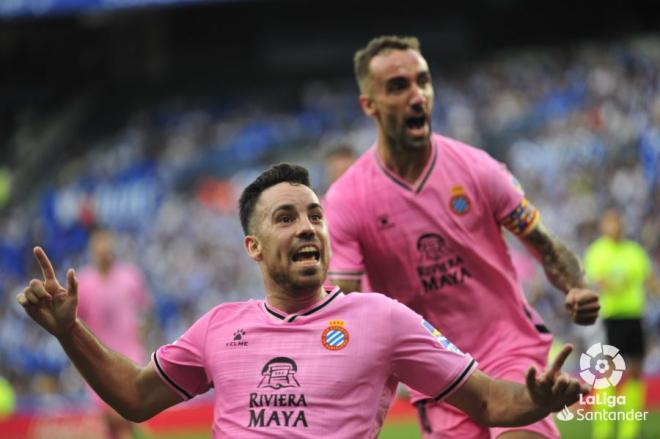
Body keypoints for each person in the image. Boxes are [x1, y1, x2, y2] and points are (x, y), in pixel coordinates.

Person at [17, 164, 590, 438]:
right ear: (254, 247)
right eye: (286, 218)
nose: (309, 227)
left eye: (316, 215)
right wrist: (70, 331)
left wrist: (535, 399)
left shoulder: (382, 318)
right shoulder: (221, 327)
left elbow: (488, 402)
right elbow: (137, 398)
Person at [323, 35, 600, 439]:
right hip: (436, 372)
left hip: (510, 351)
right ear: (370, 105)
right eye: (398, 86)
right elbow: (341, 305)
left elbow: (545, 244)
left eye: (423, 81)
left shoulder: (477, 169)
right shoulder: (348, 199)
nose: (417, 95)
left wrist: (577, 286)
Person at [585, 209, 656, 439]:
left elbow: (650, 280)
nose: (614, 227)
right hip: (611, 317)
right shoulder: (598, 252)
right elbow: (598, 281)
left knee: (635, 370)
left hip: (634, 315)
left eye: (616, 222)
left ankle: (629, 428)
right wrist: (617, 283)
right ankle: (603, 428)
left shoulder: (634, 252)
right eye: (609, 223)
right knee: (609, 371)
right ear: (603, 227)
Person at [76, 229, 151, 439]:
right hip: (97, 357)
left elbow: (144, 310)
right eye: (99, 249)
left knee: (123, 413)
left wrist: (140, 336)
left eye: (107, 248)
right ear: (92, 252)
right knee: (110, 421)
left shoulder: (130, 277)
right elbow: (76, 320)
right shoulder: (84, 282)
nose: (104, 253)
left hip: (129, 355)